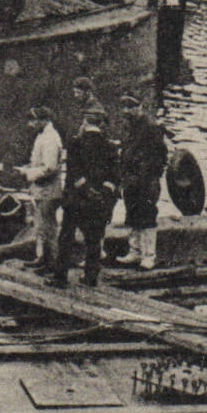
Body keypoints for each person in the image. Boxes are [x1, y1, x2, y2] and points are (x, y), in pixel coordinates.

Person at [51, 106, 119, 288]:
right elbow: (113, 177)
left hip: (76, 200)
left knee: (66, 237)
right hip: (98, 201)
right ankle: (90, 277)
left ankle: (60, 277)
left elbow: (74, 174)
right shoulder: (110, 146)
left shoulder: (75, 143)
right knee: (94, 240)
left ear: (85, 122)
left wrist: (86, 189)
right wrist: (101, 193)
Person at [116, 94, 169, 269]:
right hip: (131, 179)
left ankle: (148, 255)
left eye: (131, 107)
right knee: (132, 214)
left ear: (140, 107)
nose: (127, 111)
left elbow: (161, 155)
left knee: (147, 216)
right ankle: (135, 251)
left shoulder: (151, 128)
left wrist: (149, 174)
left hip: (146, 180)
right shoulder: (129, 127)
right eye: (125, 107)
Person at [15, 106, 63, 269]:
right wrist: (28, 167)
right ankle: (42, 258)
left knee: (48, 227)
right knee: (41, 226)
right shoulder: (43, 136)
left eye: (33, 120)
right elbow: (40, 162)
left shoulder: (50, 138)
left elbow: (49, 167)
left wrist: (28, 173)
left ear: (44, 120)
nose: (30, 124)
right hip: (42, 189)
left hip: (48, 190)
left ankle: (51, 262)